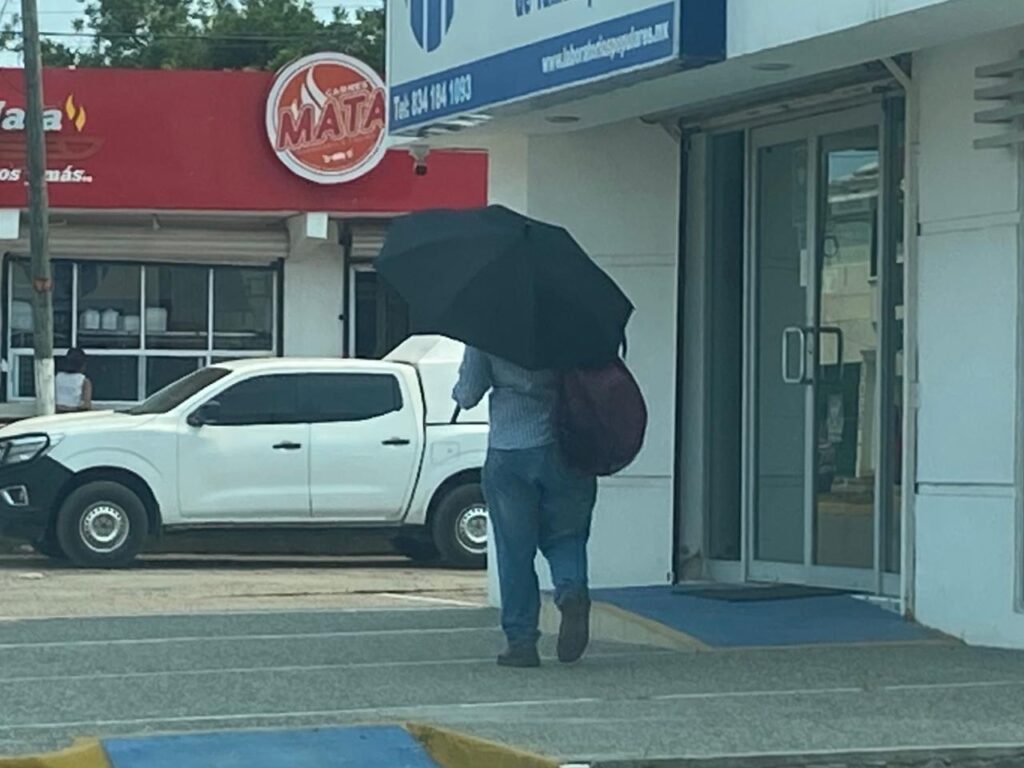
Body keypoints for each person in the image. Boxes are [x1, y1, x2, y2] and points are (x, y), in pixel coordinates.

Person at [453, 346, 597, 668]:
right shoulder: (569, 324)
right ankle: (571, 589)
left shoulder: (487, 330)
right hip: (566, 448)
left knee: (514, 550)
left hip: (510, 453)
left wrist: (460, 388)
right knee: (567, 534)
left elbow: (467, 394)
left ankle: (521, 642)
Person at [55, 348, 92, 413]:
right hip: (75, 415)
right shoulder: (84, 381)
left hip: (56, 413)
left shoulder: (57, 377)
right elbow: (86, 405)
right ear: (83, 364)